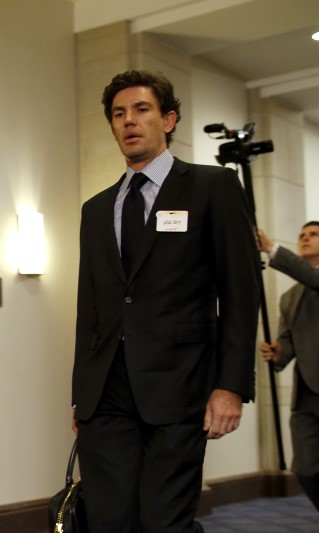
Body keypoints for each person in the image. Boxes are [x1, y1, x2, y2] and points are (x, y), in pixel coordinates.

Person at [70, 70, 260, 532]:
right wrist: (81, 395)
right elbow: (89, 307)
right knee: (108, 521)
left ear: (168, 119)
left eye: (141, 110)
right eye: (118, 114)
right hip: (107, 393)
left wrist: (230, 385)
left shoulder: (212, 187)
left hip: (180, 388)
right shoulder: (97, 208)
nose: (129, 121)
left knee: (163, 522)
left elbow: (240, 292)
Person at [258, 222, 319, 533]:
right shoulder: (289, 297)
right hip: (306, 395)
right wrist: (278, 352)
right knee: (307, 471)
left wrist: (273, 249)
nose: (304, 238)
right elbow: (289, 341)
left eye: (313, 234)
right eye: (301, 235)